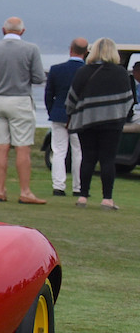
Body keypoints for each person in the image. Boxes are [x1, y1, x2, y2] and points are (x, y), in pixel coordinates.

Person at [0, 16, 47, 204]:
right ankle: (25, 191)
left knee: (1, 147)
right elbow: (38, 78)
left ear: (4, 30)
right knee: (22, 147)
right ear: (22, 31)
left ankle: (1, 190)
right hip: (20, 99)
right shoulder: (31, 49)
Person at [67, 38, 135, 211]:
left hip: (87, 121)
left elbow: (72, 98)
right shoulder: (121, 73)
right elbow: (129, 100)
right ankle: (107, 199)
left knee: (88, 158)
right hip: (112, 123)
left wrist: (73, 113)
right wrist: (120, 115)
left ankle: (82, 196)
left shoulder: (83, 71)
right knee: (108, 160)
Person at [44, 38, 88, 197]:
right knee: (79, 151)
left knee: (59, 151)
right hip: (81, 116)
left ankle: (58, 186)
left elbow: (49, 94)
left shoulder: (56, 69)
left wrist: (52, 111)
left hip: (59, 113)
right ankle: (79, 187)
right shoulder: (88, 70)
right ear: (86, 52)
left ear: (70, 49)